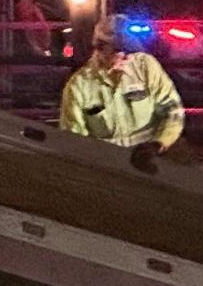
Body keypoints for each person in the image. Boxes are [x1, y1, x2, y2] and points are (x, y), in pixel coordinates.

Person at [60, 14, 185, 170]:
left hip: (152, 157)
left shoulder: (146, 66)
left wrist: (159, 144)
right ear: (100, 48)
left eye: (130, 50)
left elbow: (173, 110)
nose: (127, 57)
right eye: (120, 51)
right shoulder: (78, 86)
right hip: (107, 166)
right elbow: (75, 138)